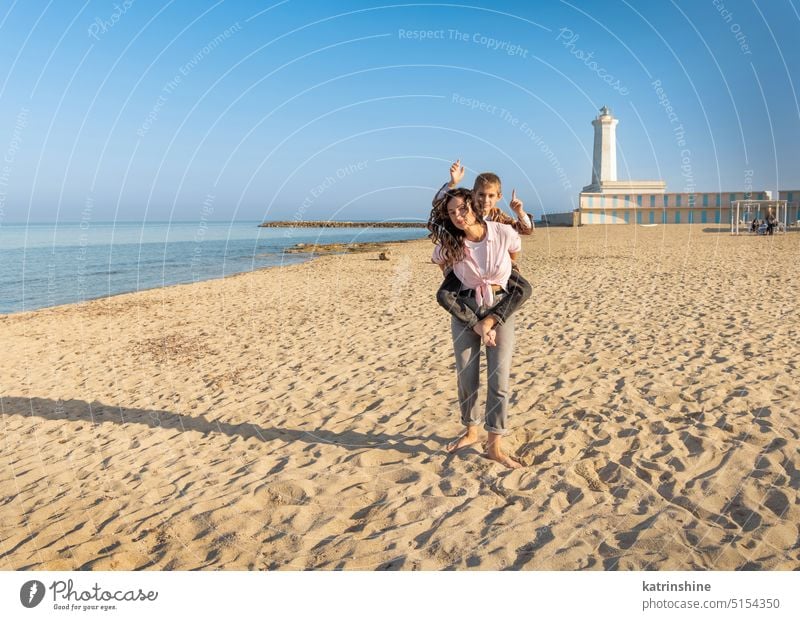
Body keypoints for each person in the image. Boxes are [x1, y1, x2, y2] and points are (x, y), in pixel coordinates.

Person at [428, 187, 527, 469]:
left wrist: (493, 308)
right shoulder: (450, 243)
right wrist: (456, 282)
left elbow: (515, 256)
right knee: (466, 375)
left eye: (462, 209)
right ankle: (471, 431)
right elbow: (439, 263)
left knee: (500, 380)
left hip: (499, 308)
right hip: (465, 310)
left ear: (473, 205)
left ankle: (494, 445)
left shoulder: (501, 232)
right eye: (451, 212)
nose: (458, 216)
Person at [432, 161, 532, 342]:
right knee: (444, 294)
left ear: (498, 196)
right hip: (465, 263)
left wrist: (520, 212)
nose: (485, 200)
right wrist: (452, 183)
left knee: (523, 288)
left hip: (496, 267)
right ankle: (473, 323)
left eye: (490, 196)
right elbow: (441, 205)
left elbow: (524, 230)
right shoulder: (466, 211)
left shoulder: (498, 217)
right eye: (481, 195)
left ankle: (493, 319)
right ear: (472, 195)